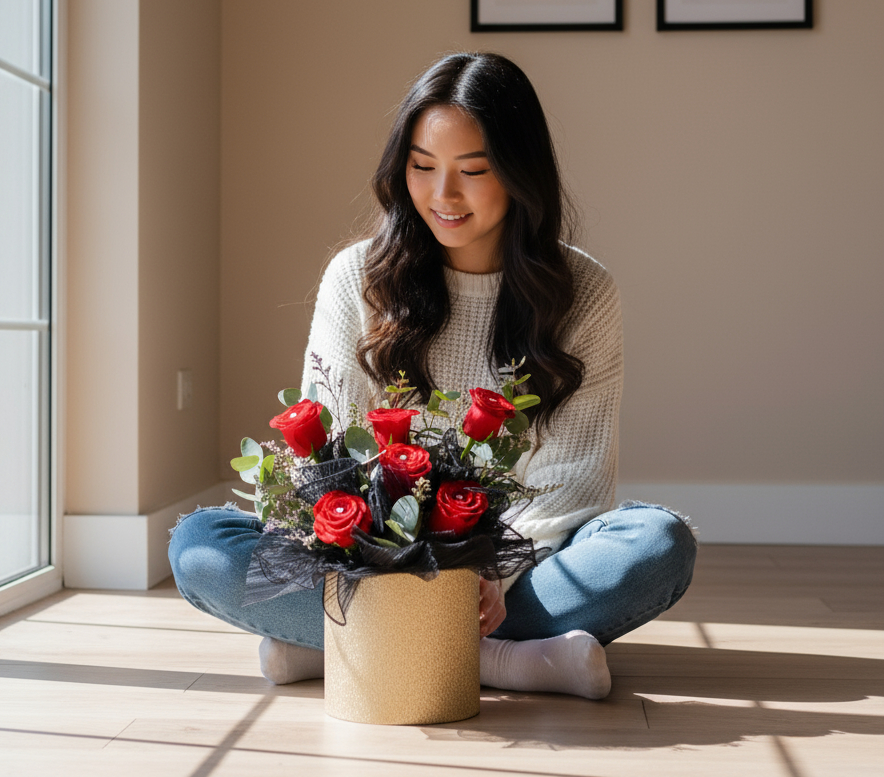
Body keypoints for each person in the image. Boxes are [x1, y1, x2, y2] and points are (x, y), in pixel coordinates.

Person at [169, 52, 696, 698]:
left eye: (473, 170)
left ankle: (338, 645)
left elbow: (574, 478)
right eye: (422, 167)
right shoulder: (358, 277)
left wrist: (489, 573)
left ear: (520, 174)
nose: (442, 196)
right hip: (369, 558)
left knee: (655, 541)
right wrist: (381, 557)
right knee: (200, 545)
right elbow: (327, 456)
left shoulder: (584, 291)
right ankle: (506, 663)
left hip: (512, 572)